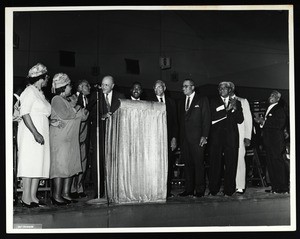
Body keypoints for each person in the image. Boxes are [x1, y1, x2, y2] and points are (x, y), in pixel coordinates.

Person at [49, 73, 89, 205]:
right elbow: (66, 114)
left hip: (70, 138)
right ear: (63, 87)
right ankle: (56, 196)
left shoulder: (67, 100)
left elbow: (79, 116)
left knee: (70, 166)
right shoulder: (56, 99)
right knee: (60, 167)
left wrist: (83, 112)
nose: (71, 88)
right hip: (61, 139)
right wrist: (77, 107)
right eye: (69, 86)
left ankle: (66, 193)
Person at [17, 63, 51, 208]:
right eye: (46, 76)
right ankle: (25, 198)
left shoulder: (40, 93)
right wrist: (36, 133)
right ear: (41, 78)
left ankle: (33, 196)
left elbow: (44, 113)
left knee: (38, 162)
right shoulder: (29, 91)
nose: (48, 79)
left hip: (42, 131)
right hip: (30, 133)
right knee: (30, 162)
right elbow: (25, 113)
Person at [87, 75, 125, 198]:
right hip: (99, 134)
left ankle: (114, 191)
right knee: (98, 162)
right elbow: (89, 114)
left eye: (107, 85)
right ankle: (98, 192)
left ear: (112, 86)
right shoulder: (95, 96)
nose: (103, 87)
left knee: (114, 163)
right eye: (102, 84)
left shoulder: (121, 97)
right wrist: (102, 116)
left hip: (115, 135)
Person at [208, 81, 244, 196]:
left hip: (231, 138)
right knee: (215, 164)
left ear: (229, 90)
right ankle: (213, 189)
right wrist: (225, 111)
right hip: (216, 138)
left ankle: (229, 190)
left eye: (224, 88)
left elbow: (240, 120)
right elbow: (210, 118)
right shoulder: (212, 101)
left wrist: (234, 109)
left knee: (231, 164)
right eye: (220, 88)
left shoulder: (236, 102)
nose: (221, 90)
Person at [177, 79, 211, 198]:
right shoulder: (181, 102)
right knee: (188, 165)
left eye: (186, 86)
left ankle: (200, 189)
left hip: (198, 139)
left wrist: (204, 136)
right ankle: (189, 189)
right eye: (183, 86)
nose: (183, 88)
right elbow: (180, 122)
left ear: (193, 87)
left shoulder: (202, 100)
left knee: (198, 164)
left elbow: (206, 119)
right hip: (184, 139)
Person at [254, 90, 289, 194]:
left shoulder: (279, 109)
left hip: (276, 142)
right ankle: (275, 187)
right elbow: (267, 124)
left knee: (277, 164)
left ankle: (283, 187)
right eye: (270, 95)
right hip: (269, 141)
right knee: (271, 164)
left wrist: (264, 122)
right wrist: (261, 123)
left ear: (278, 99)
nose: (271, 97)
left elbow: (280, 124)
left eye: (274, 96)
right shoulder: (268, 109)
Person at [148, 80, 178, 198]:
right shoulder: (149, 101)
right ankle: (155, 191)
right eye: (156, 87)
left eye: (160, 86)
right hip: (154, 139)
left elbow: (175, 122)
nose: (158, 89)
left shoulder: (171, 102)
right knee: (155, 166)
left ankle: (167, 191)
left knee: (168, 166)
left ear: (164, 88)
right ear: (154, 89)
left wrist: (174, 138)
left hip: (168, 139)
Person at [228, 82, 253, 194]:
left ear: (232, 89)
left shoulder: (242, 101)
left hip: (240, 135)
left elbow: (248, 119)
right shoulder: (221, 101)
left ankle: (240, 185)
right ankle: (229, 185)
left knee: (239, 159)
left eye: (226, 88)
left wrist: (248, 136)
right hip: (226, 136)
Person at [70, 80, 91, 199]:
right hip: (75, 134)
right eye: (86, 85)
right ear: (79, 87)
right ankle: (72, 189)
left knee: (83, 161)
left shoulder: (88, 100)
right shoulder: (72, 99)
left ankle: (79, 187)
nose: (89, 87)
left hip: (85, 135)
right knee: (74, 162)